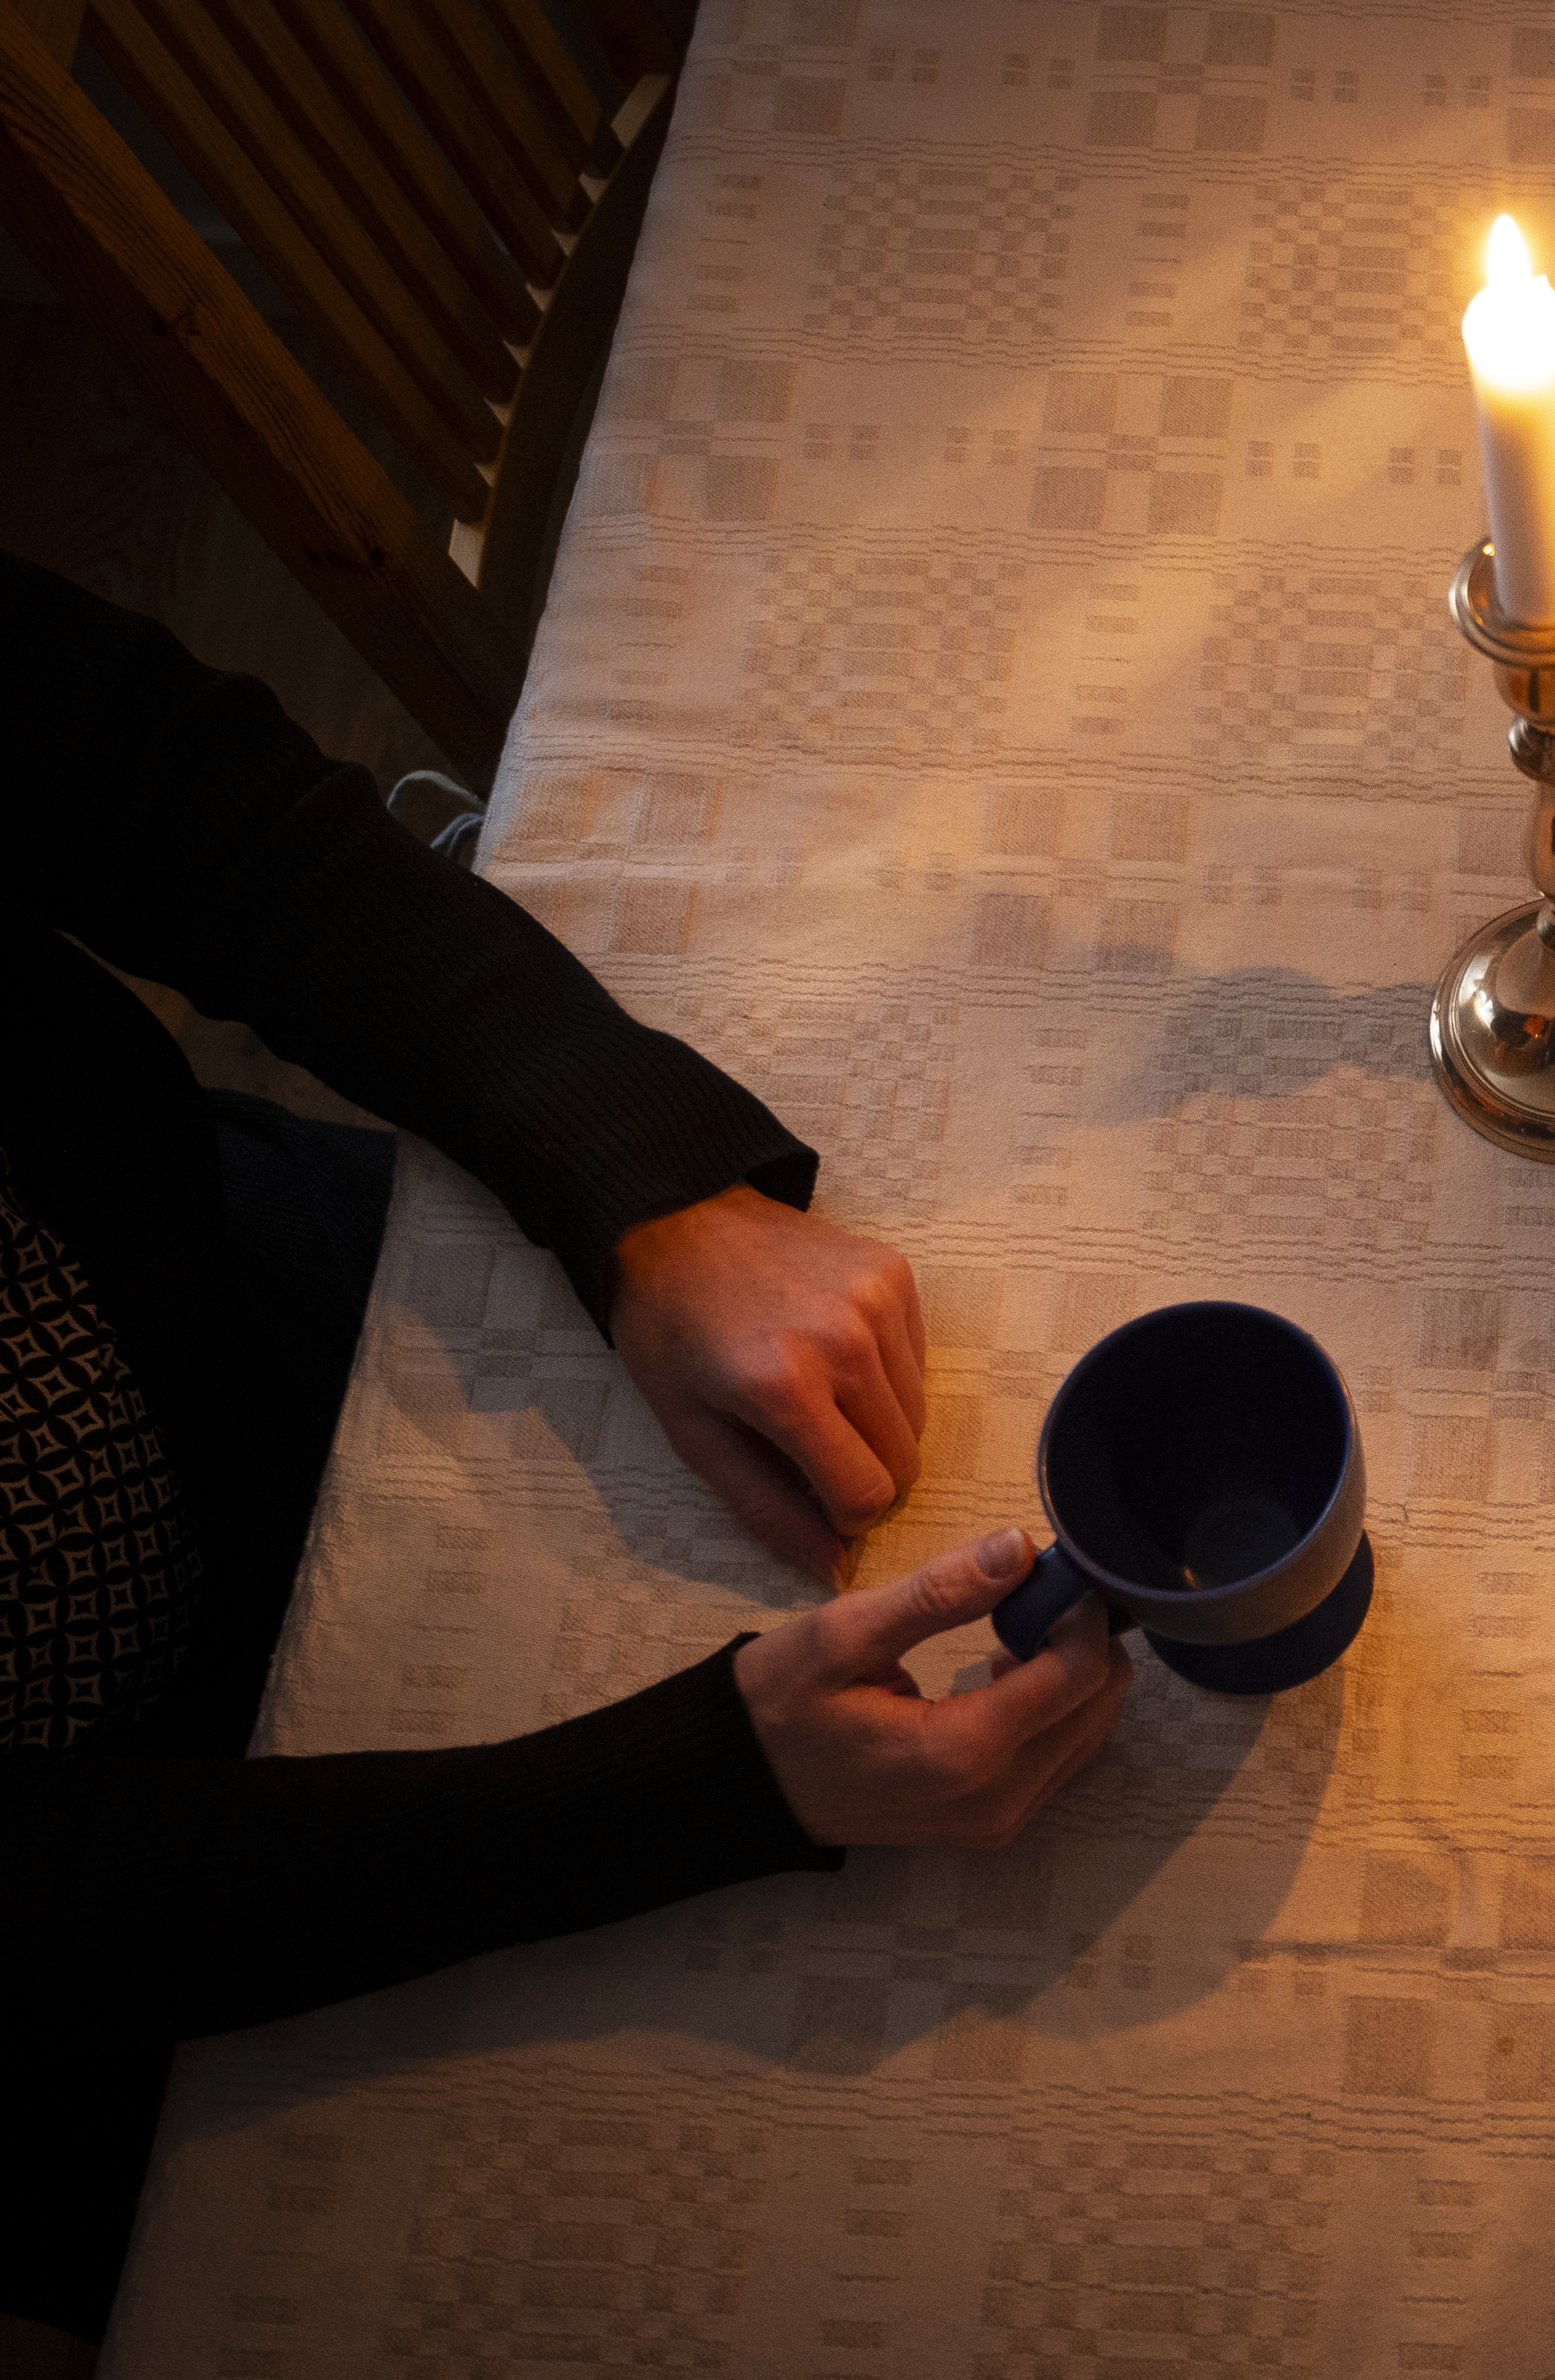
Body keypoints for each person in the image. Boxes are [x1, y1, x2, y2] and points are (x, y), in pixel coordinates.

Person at [0, 553, 1133, 2354]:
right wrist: (707, 1786)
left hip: (236, 1283)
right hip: (137, 2012)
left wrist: (634, 1176)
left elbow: (150, 780)